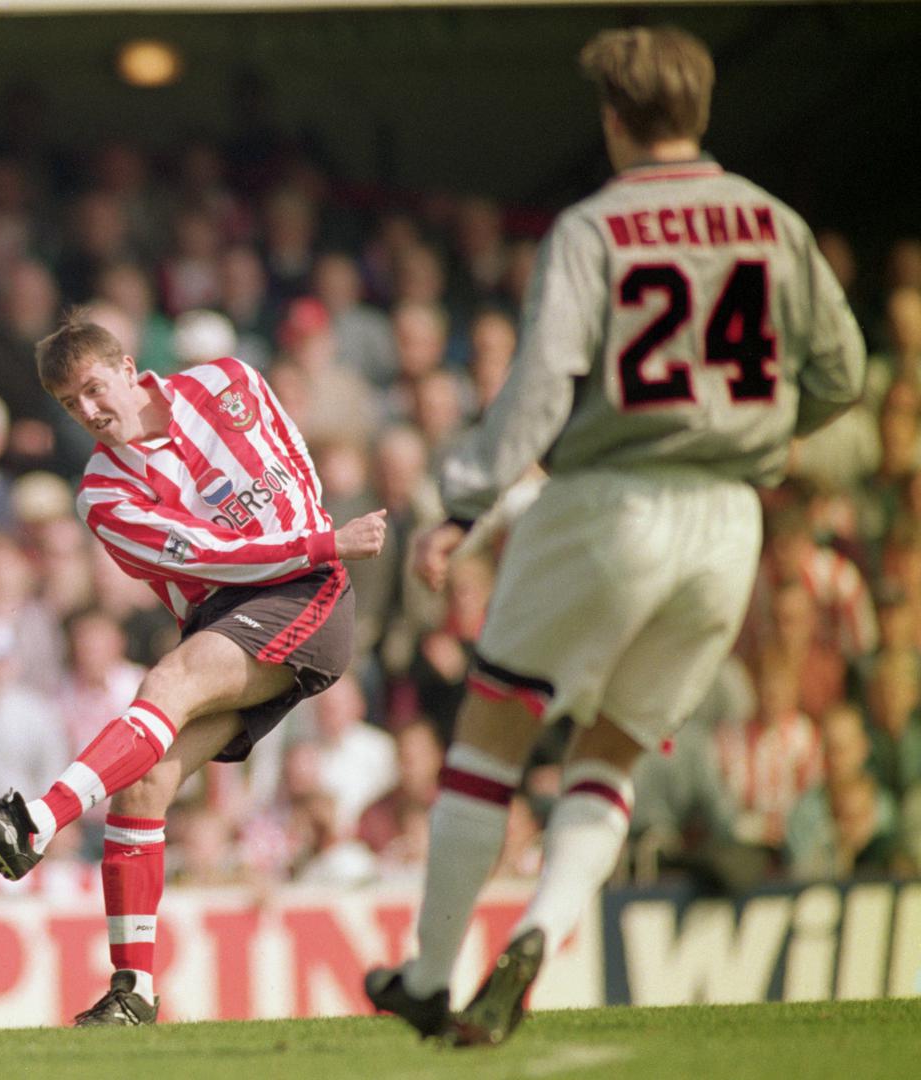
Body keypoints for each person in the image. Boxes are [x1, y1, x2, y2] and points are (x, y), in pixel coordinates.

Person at [362, 26, 866, 1047]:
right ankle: (542, 930)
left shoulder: (594, 228)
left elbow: (541, 383)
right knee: (614, 750)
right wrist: (757, 431)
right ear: (702, 108)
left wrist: (463, 501)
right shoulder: (774, 223)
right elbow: (845, 374)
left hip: (609, 499)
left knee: (492, 735)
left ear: (612, 117)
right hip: (729, 521)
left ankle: (426, 974)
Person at [0, 312, 387, 1026]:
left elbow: (292, 463)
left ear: (126, 367)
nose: (88, 412)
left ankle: (36, 821)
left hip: (307, 591)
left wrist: (318, 545)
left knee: (164, 686)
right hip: (245, 599)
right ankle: (135, 992)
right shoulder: (102, 494)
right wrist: (318, 539)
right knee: (143, 785)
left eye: (92, 389)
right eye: (70, 406)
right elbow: (203, 554)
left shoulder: (228, 381)